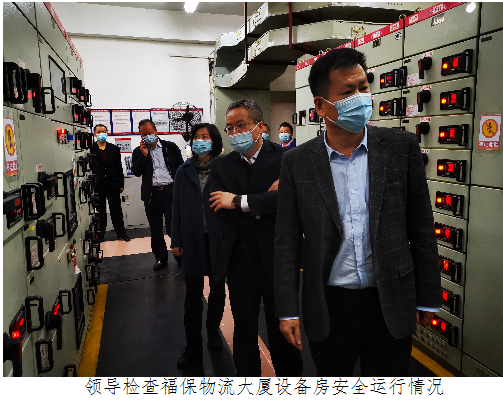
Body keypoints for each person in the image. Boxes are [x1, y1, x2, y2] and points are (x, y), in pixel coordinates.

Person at [274, 48, 441, 377]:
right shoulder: (298, 162)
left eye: (363, 87)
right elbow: (286, 242)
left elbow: (422, 228)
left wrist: (428, 296)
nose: (361, 98)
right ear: (321, 105)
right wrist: (287, 310)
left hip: (390, 298)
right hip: (329, 304)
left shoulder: (401, 148)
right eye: (347, 91)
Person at [209, 99, 303, 377]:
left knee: (283, 327)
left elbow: (292, 201)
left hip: (278, 258)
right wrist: (268, 199)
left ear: (260, 126)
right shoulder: (222, 166)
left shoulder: (286, 159)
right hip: (240, 260)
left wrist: (238, 201)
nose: (235, 132)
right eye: (229, 128)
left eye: (241, 125)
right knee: (244, 328)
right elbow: (216, 208)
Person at [171, 123, 226, 369]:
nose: (200, 140)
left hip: (218, 239)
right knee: (192, 295)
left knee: (217, 289)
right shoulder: (183, 171)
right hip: (192, 239)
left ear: (214, 141)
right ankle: (192, 344)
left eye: (205, 136)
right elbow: (176, 208)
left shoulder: (224, 169)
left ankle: (213, 330)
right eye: (196, 136)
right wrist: (176, 240)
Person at [132, 119, 183, 271]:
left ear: (156, 131)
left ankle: (180, 255)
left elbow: (180, 167)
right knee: (155, 229)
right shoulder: (138, 151)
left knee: (173, 227)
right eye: (144, 134)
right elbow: (136, 172)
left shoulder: (170, 147)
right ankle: (160, 258)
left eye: (149, 133)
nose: (147, 136)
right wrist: (144, 155)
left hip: (170, 192)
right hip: (151, 195)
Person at [90, 124, 130, 242]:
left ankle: (121, 233)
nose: (102, 133)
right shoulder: (90, 149)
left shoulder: (114, 149)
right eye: (99, 132)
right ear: (95, 134)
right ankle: (100, 234)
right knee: (100, 211)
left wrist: (121, 184)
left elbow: (119, 167)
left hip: (113, 184)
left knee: (116, 210)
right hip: (98, 184)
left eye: (104, 131)